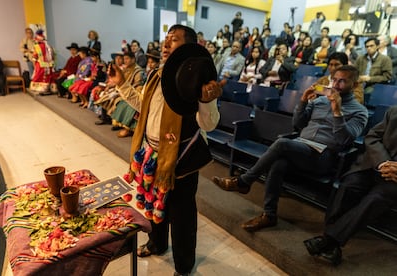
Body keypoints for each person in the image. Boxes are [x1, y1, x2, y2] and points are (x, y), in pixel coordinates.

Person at [108, 24, 222, 276]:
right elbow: (142, 105)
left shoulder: (195, 80)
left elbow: (209, 125)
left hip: (181, 159)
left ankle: (183, 266)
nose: (166, 43)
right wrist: (122, 84)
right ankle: (157, 244)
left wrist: (208, 100)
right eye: (166, 39)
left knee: (181, 217)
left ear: (189, 48)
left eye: (174, 39)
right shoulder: (156, 75)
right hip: (151, 154)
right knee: (153, 204)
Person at [212, 65, 368, 232]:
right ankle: (269, 215)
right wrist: (302, 102)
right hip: (301, 147)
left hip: (323, 156)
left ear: (355, 84)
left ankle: (244, 181)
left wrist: (337, 111)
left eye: (343, 81)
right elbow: (298, 125)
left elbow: (344, 139)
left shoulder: (360, 112)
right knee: (279, 163)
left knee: (282, 144)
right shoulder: (320, 101)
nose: (336, 85)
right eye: (335, 80)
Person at [304, 105, 397, 265]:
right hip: (375, 164)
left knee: (376, 198)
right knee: (349, 186)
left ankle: (329, 240)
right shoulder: (394, 111)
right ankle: (332, 241)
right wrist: (383, 162)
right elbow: (372, 136)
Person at [110, 51, 145, 137]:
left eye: (127, 58)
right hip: (125, 91)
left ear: (133, 59)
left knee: (126, 104)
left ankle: (128, 128)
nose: (125, 61)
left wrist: (125, 90)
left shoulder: (138, 71)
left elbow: (139, 85)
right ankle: (119, 123)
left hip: (136, 92)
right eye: (124, 59)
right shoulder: (126, 69)